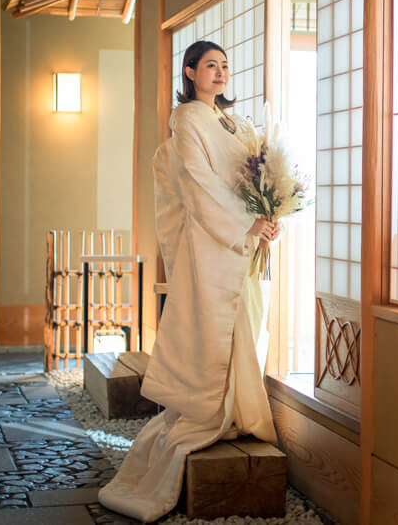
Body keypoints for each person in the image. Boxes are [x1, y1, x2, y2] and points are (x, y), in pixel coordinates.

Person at [98, 40, 279, 522]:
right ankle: (216, 411)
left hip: (245, 243)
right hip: (214, 245)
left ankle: (241, 411)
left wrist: (267, 214)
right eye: (210, 66)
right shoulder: (188, 121)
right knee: (218, 331)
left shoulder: (236, 123)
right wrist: (242, 227)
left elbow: (254, 177)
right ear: (190, 72)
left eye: (224, 66)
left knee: (250, 321)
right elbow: (200, 185)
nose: (220, 73)